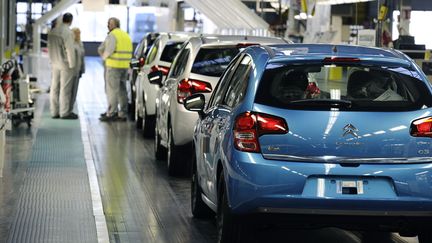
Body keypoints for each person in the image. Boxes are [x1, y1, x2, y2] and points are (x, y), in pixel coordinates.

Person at [98, 17, 132, 122]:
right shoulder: (126, 35)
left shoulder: (112, 35)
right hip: (124, 67)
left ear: (114, 25)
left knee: (112, 90)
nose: (108, 25)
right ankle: (122, 113)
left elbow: (109, 49)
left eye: (109, 23)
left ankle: (111, 113)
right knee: (122, 90)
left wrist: (103, 58)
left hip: (113, 66)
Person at [47, 13, 77, 119]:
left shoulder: (53, 31)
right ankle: (64, 112)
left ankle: (54, 112)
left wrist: (51, 60)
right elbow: (69, 49)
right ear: (70, 20)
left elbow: (49, 47)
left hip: (54, 63)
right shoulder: (67, 32)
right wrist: (72, 64)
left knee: (54, 87)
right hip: (65, 64)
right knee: (65, 89)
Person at [70, 28, 85, 111]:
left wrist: (82, 70)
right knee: (69, 91)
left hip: (78, 70)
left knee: (74, 91)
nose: (78, 35)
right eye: (76, 33)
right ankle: (67, 109)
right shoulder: (71, 44)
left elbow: (82, 58)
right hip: (71, 71)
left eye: (79, 33)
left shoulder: (80, 44)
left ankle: (71, 108)